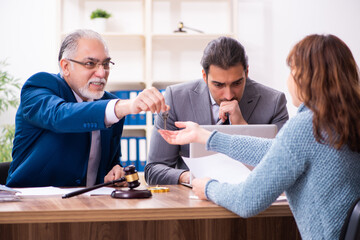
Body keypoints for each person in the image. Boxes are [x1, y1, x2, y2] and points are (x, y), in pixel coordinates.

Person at [158, 34, 360, 239]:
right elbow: (274, 152)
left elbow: (247, 201)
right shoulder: (345, 119)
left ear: (305, 78)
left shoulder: (307, 125)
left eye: (292, 71)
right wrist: (206, 137)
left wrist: (208, 187)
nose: (288, 79)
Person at [6, 29, 168, 187]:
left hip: (89, 205)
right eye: (90, 64)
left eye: (105, 64)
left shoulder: (111, 104)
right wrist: (125, 106)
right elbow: (60, 116)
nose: (101, 73)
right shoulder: (40, 86)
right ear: (66, 67)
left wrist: (115, 172)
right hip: (31, 205)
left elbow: (110, 162)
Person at [145, 36, 289, 185]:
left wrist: (242, 127)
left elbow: (286, 166)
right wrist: (190, 177)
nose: (229, 95)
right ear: (204, 76)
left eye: (237, 83)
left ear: (246, 73)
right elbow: (153, 170)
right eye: (219, 85)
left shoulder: (273, 102)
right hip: (195, 201)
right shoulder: (176, 98)